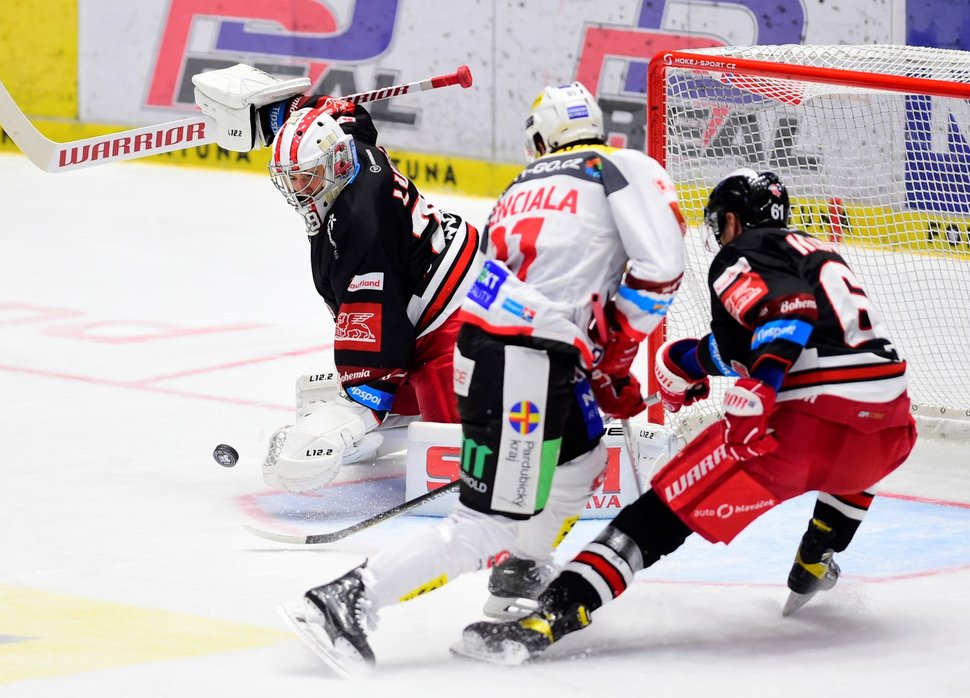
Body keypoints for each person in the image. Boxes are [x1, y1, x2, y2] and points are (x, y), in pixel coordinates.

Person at [277, 81, 687, 675]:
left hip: (491, 344)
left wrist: (586, 365)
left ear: (540, 139)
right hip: (530, 356)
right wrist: (614, 361)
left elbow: (514, 281)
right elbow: (658, 271)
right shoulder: (624, 166)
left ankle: (520, 566)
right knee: (482, 522)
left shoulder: (522, 187)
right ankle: (344, 602)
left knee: (581, 462)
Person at [451, 169, 919, 665]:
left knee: (652, 520)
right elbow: (763, 342)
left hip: (799, 432)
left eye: (720, 223)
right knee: (851, 452)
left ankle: (548, 617)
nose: (718, 233)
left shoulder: (741, 252)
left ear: (733, 220)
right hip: (890, 434)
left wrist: (757, 392)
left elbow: (788, 314)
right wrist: (686, 364)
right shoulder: (815, 251)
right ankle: (816, 556)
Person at [192, 63, 482, 493]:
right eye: (290, 179)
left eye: (306, 177)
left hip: (455, 322)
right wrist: (274, 114)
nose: (298, 190)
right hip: (439, 284)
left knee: (456, 449)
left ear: (334, 164)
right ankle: (420, 399)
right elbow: (346, 113)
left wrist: (358, 412)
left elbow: (375, 328)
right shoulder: (351, 147)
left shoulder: (360, 226)